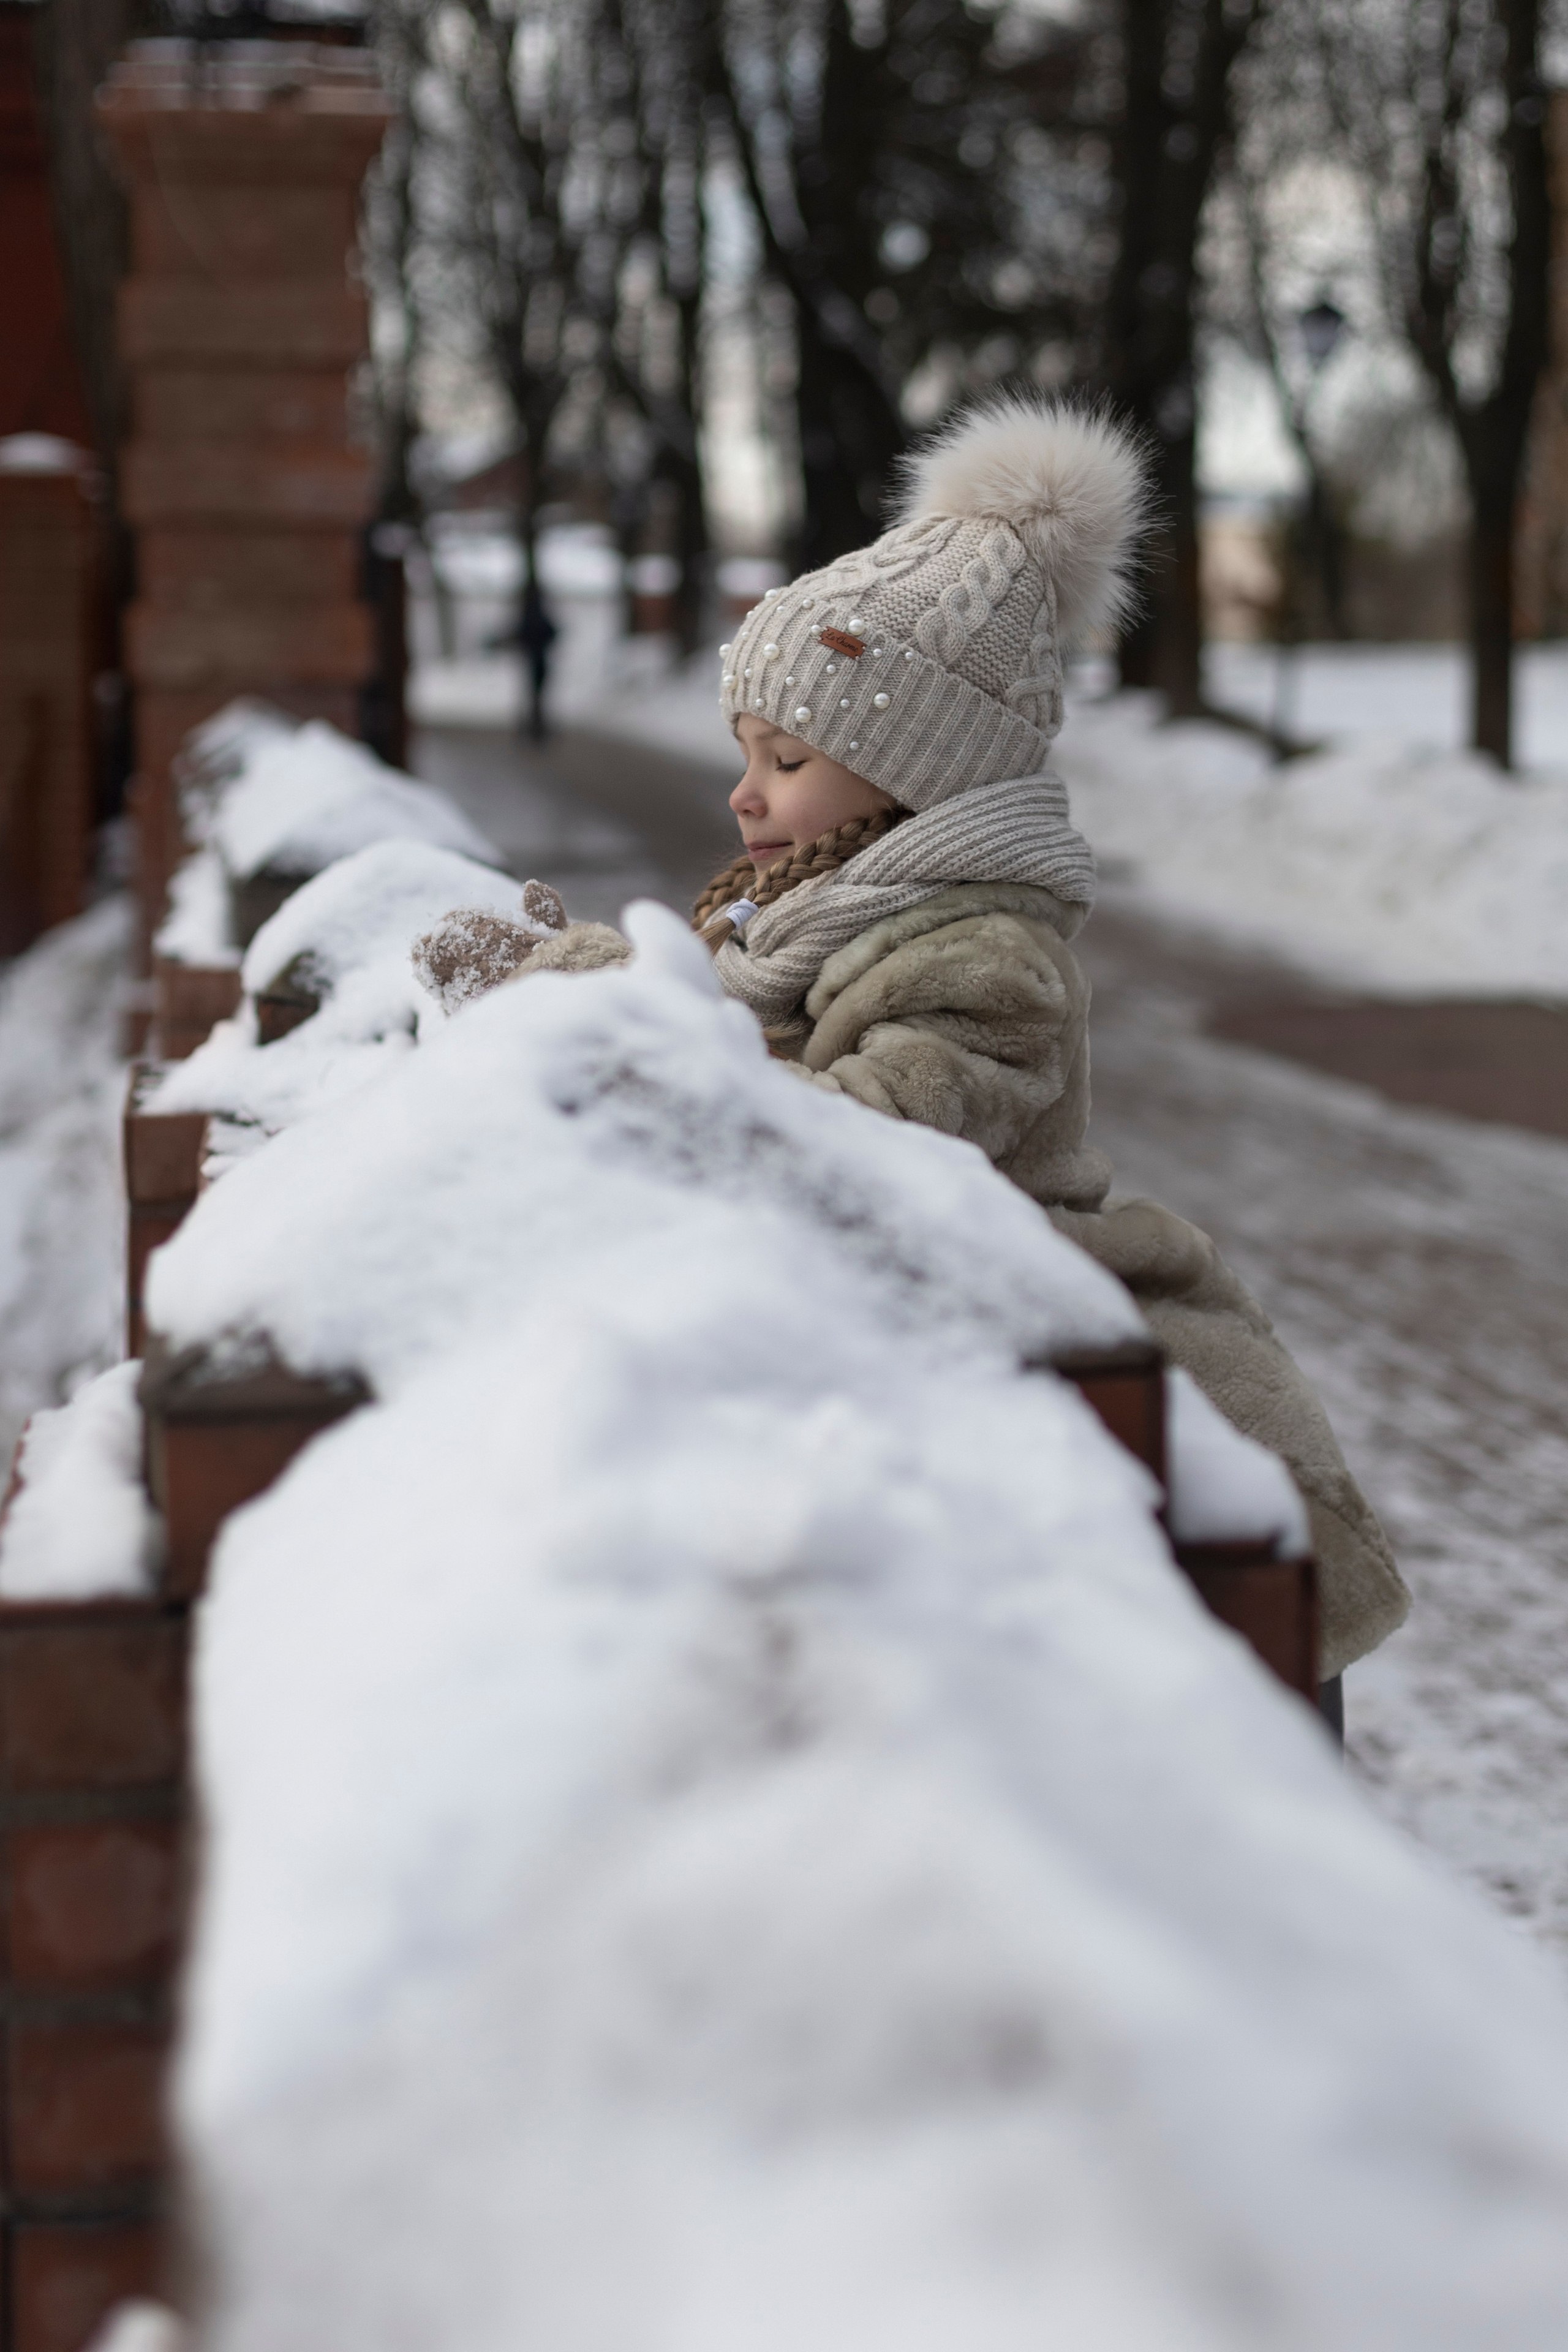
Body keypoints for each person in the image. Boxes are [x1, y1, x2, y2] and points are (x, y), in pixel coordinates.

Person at [424, 399, 1409, 1702]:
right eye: (746, 753)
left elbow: (855, 1145)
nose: (745, 791)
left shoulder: (983, 959)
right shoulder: (811, 912)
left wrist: (606, 994)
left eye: (788, 757)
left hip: (1035, 1323)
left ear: (914, 777)